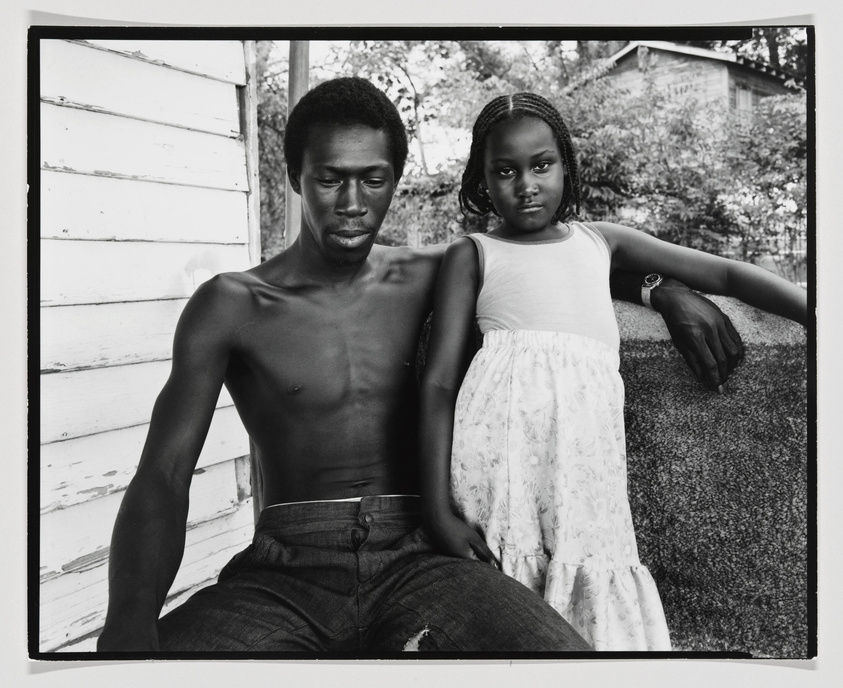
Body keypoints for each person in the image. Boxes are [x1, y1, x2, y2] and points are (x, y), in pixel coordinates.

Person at [96, 78, 744, 654]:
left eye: (372, 178)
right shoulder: (231, 304)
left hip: (421, 560)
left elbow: (549, 262)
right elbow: (163, 474)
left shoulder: (428, 274)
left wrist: (660, 288)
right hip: (284, 573)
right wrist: (126, 623)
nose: (352, 201)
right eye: (329, 178)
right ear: (295, 175)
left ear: (394, 180)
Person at [418, 92, 807, 651]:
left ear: (566, 166)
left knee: (593, 594)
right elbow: (437, 383)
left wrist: (817, 314)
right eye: (505, 171)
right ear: (482, 179)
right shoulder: (474, 253)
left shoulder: (602, 242)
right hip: (500, 466)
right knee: (508, 602)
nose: (526, 183)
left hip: (585, 469)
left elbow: (723, 273)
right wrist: (436, 510)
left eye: (541, 165)